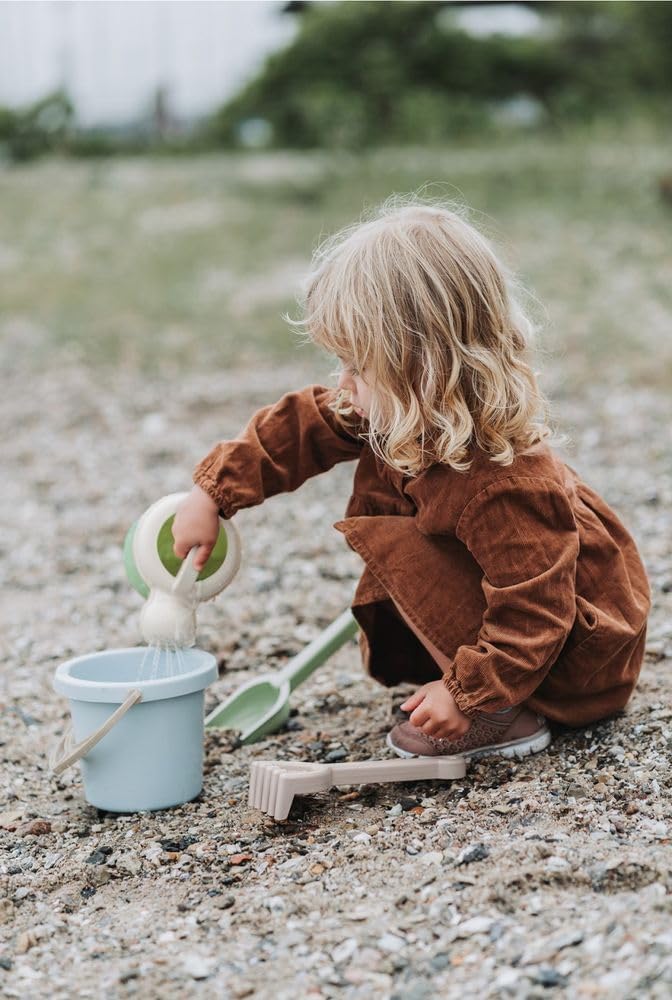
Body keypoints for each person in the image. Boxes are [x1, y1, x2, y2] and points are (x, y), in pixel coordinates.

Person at [172, 198, 650, 760]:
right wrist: (213, 491)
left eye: (359, 367)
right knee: (393, 538)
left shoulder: (505, 482)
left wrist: (467, 696)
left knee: (395, 545)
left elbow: (536, 610)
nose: (343, 384)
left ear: (423, 367)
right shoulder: (404, 409)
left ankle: (504, 712)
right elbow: (303, 426)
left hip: (571, 658)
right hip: (533, 630)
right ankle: (474, 678)